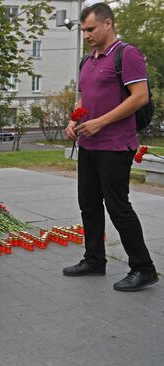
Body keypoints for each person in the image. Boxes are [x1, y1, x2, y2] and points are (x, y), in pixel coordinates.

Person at [63, 3, 158, 291]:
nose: (86, 35)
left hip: (116, 145)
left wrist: (101, 122)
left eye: (90, 29)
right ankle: (94, 260)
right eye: (83, 31)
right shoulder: (86, 60)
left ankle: (144, 268)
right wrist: (73, 121)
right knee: (88, 205)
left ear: (108, 24)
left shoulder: (126, 54)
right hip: (89, 143)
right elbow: (83, 100)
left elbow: (140, 97)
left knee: (118, 207)